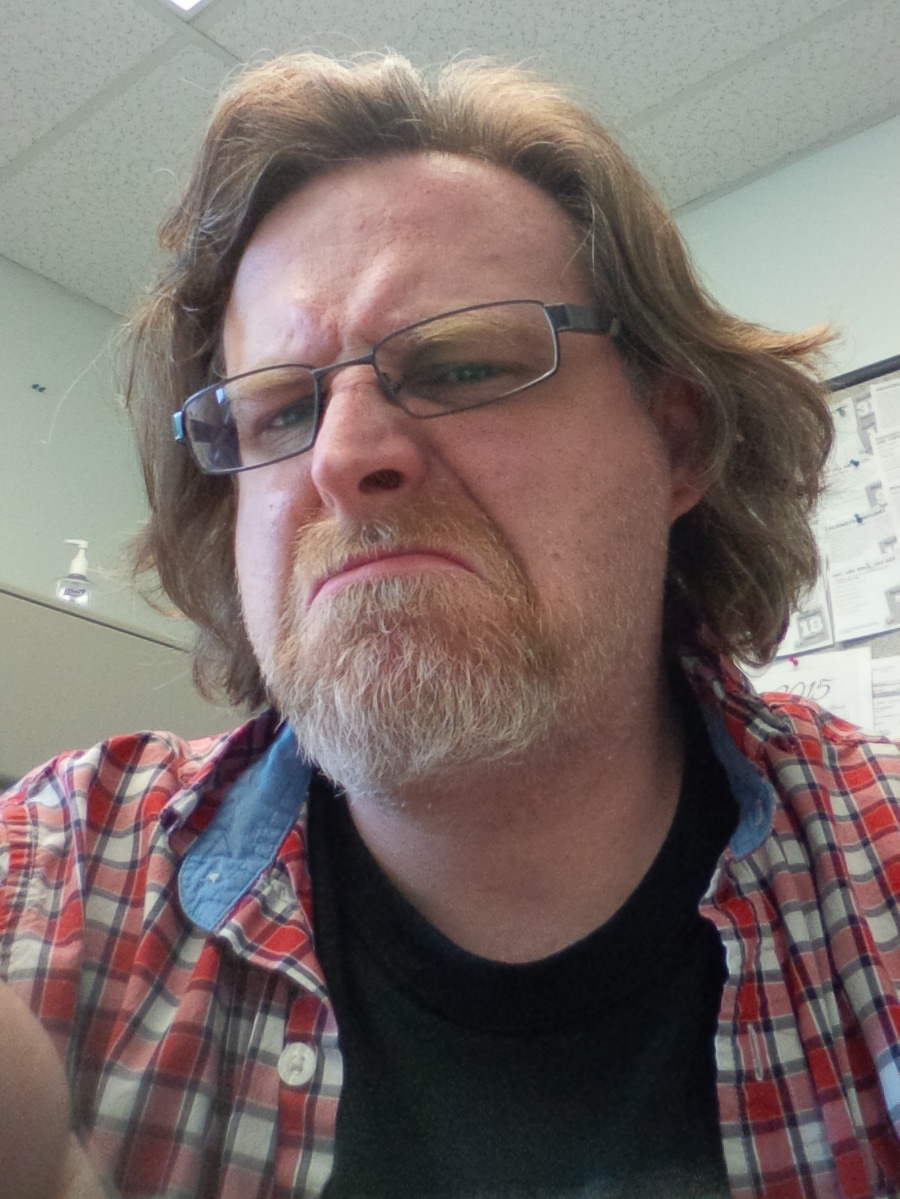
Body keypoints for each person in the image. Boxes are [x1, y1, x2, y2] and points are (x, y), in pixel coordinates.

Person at [2, 48, 899, 1199]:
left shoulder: (878, 876)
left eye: (465, 364)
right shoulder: (59, 880)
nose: (341, 457)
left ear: (674, 441)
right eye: (275, 410)